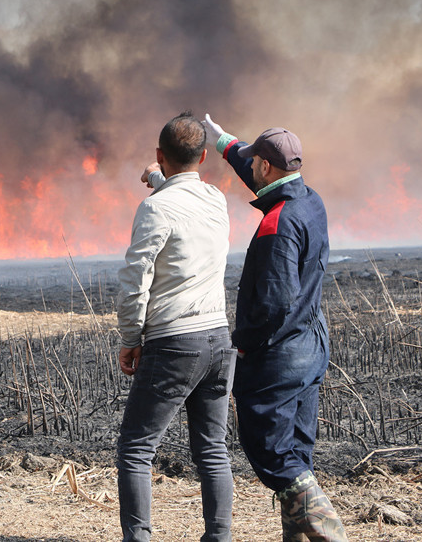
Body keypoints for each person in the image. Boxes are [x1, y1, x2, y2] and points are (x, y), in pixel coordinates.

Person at [203, 114, 347, 541]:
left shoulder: (277, 224)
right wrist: (224, 142)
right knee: (297, 454)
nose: (251, 165)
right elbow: (260, 177)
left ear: (266, 166)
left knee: (273, 453)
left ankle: (333, 535)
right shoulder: (310, 200)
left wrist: (243, 345)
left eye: (255, 160)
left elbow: (273, 302)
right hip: (311, 346)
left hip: (280, 356)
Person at [116, 111, 236, 542]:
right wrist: (158, 178)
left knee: (136, 448)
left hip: (174, 341)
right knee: (212, 450)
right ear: (203, 157)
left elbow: (135, 281)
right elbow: (183, 197)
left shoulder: (155, 208)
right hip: (219, 340)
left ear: (159, 153)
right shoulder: (216, 200)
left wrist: (130, 338)